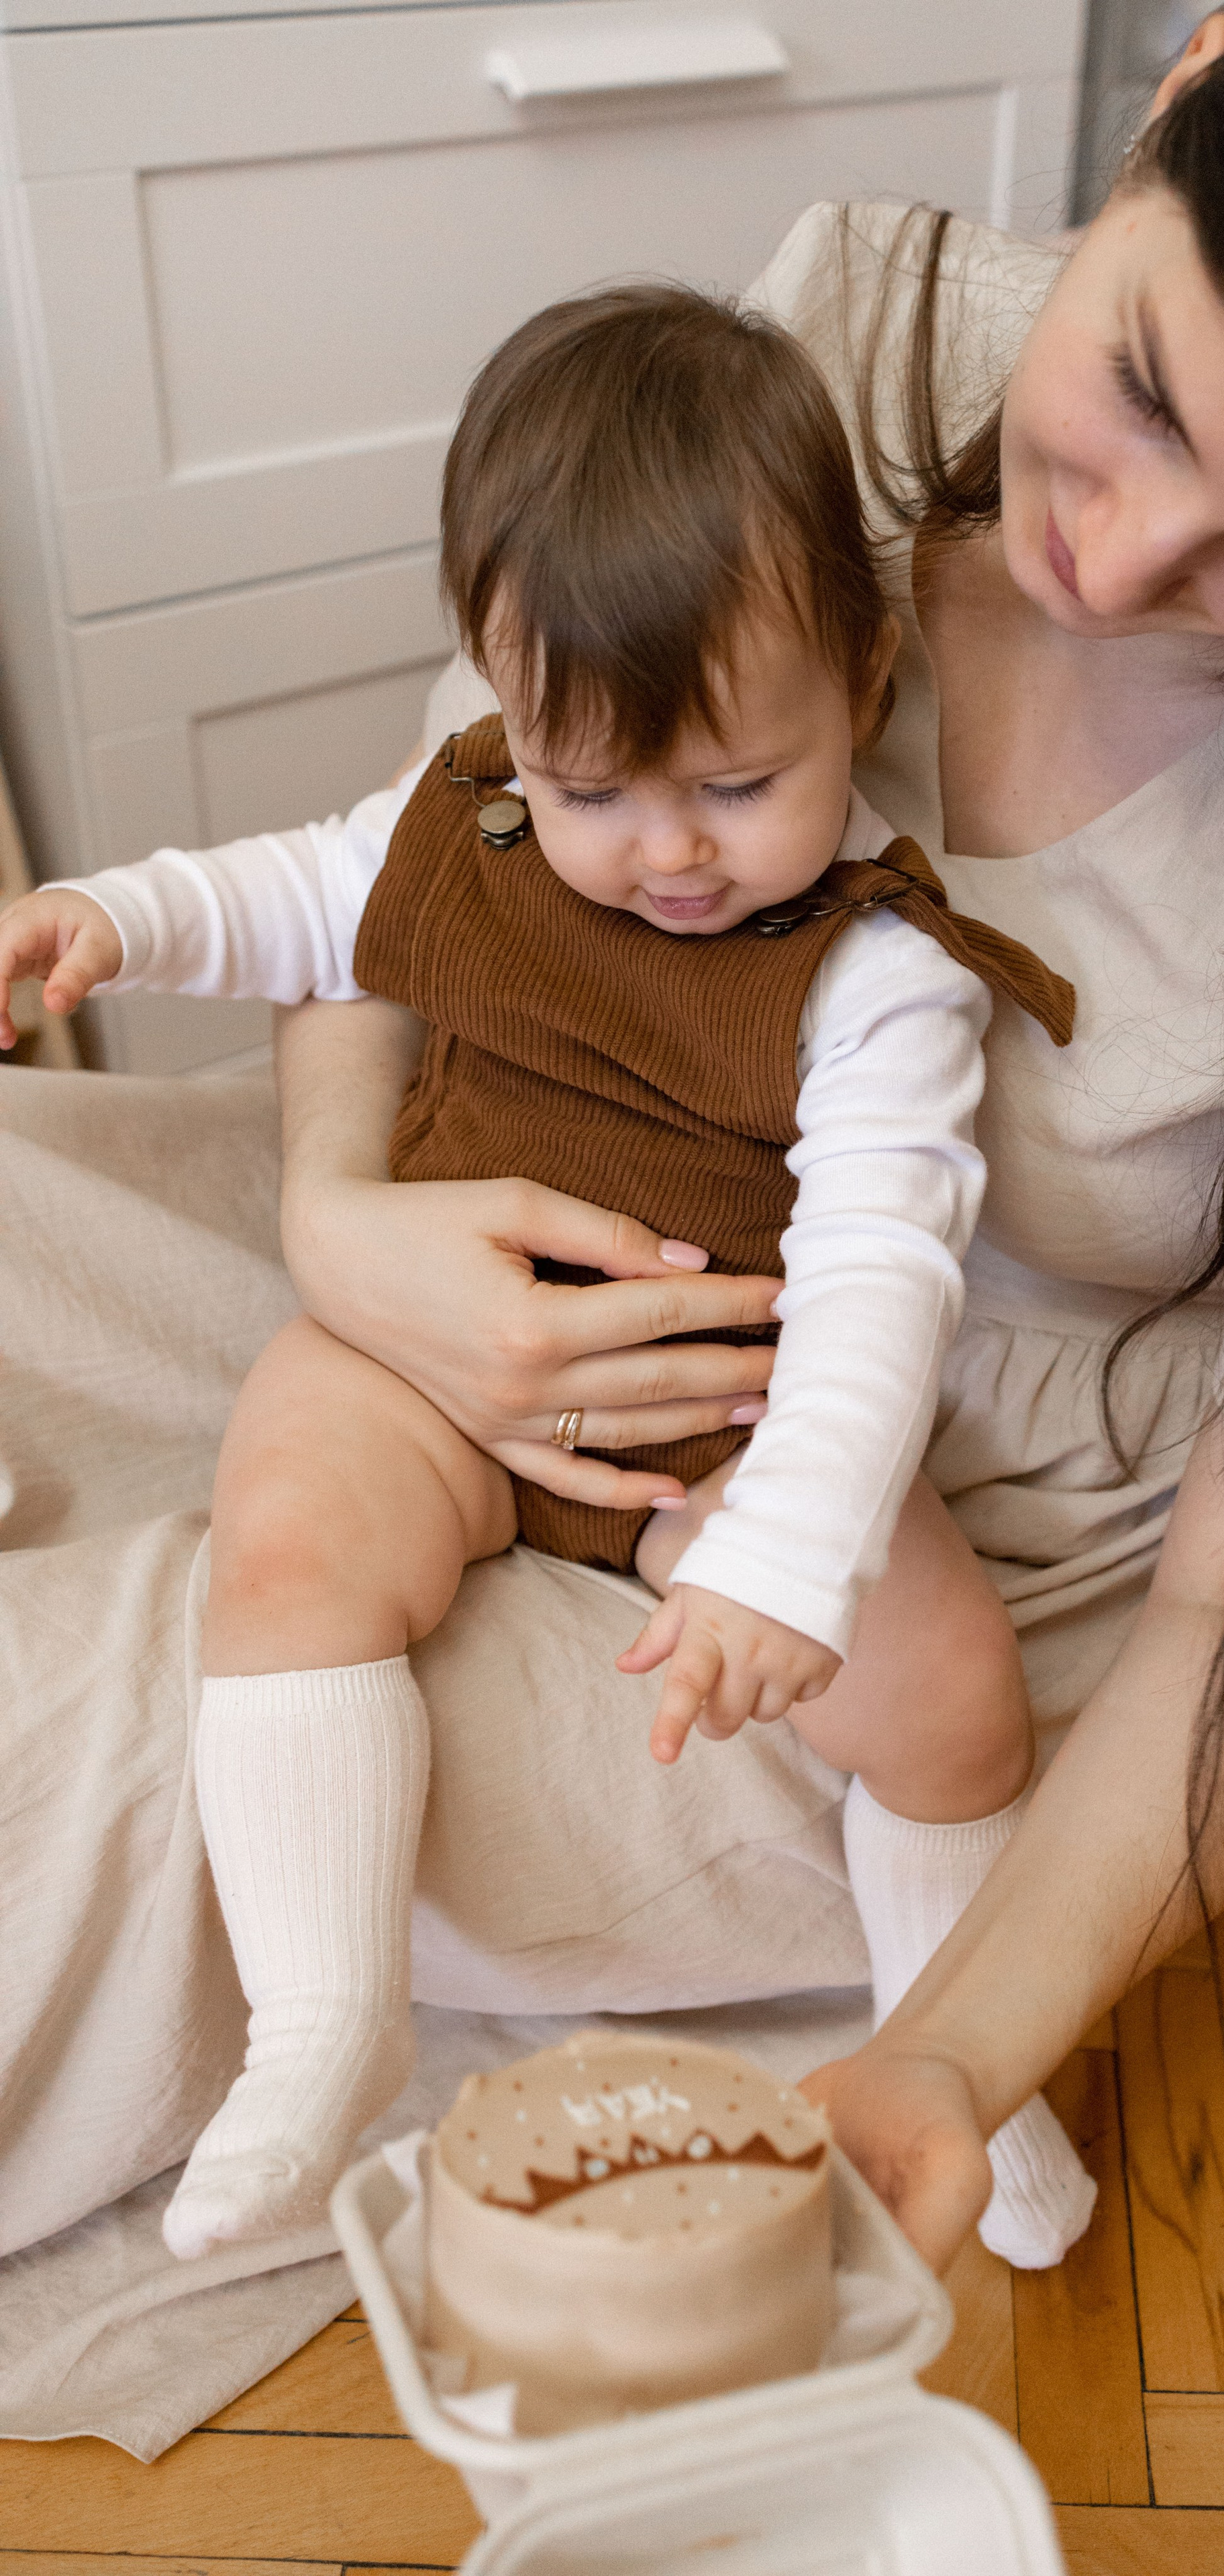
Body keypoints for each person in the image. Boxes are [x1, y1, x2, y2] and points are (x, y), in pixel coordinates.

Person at [1, 0, 1224, 2285]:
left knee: (100, 1752)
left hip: (904, 1507)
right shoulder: (856, 333)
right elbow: (443, 832)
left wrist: (955, 2052)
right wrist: (348, 1226)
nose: (1107, 560)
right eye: (1141, 393)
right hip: (488, 1168)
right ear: (1185, 83)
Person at [0, 285, 1082, 2263]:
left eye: (738, 786)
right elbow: (282, 893)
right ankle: (324, 2019)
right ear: (502, 699)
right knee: (287, 1527)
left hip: (716, 1415)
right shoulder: (473, 811)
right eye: (597, 791)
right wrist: (106, 919)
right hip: (432, 1364)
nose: (666, 850)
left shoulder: (879, 973)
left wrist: (785, 1553)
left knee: (952, 1692)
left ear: (865, 671)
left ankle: (969, 2066)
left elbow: (876, 1288)